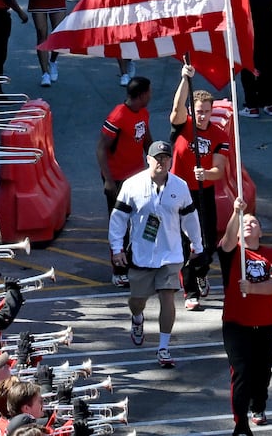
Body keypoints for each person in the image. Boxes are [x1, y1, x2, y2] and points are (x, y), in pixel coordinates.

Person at [108, 140, 201, 368]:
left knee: (167, 296)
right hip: (141, 255)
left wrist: (197, 244)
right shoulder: (132, 185)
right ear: (148, 159)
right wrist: (117, 248)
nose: (161, 161)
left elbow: (190, 217)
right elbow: (118, 218)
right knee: (137, 301)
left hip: (170, 255)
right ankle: (137, 318)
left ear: (170, 160)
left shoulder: (180, 186)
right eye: (157, 158)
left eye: (165, 158)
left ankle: (163, 348)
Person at [218, 197, 272, 436]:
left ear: (261, 231)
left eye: (254, 221)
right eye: (245, 223)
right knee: (242, 372)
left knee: (262, 371)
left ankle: (259, 405)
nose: (249, 224)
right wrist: (236, 213)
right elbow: (226, 241)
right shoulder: (232, 252)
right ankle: (241, 424)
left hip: (266, 325)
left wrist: (252, 288)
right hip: (237, 325)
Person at [169, 67, 229, 311]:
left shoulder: (219, 135)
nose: (202, 116)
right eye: (199, 111)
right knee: (185, 243)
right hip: (179, 192)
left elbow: (220, 169)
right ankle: (190, 292)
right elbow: (176, 108)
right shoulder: (184, 125)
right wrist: (185, 78)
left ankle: (202, 271)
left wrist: (206, 174)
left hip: (203, 192)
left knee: (207, 242)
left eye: (207, 112)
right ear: (192, 111)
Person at [97, 76, 154, 284]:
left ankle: (138, 263)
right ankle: (119, 271)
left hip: (138, 176)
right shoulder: (117, 117)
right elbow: (101, 148)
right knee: (119, 225)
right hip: (118, 180)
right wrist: (109, 181)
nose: (151, 95)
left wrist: (157, 161)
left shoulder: (143, 113)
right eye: (149, 92)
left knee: (142, 222)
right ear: (141, 94)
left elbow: (147, 141)